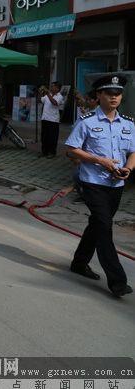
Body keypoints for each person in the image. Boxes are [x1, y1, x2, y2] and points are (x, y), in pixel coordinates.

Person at [64, 74, 134, 298]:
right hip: (92, 183)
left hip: (116, 184)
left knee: (97, 224)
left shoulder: (128, 124)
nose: (114, 98)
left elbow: (133, 152)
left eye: (118, 94)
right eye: (109, 93)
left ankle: (79, 262)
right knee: (104, 228)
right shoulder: (86, 122)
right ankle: (117, 281)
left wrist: (128, 169)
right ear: (99, 95)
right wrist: (100, 160)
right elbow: (71, 150)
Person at [40, 82, 64, 157]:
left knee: (52, 137)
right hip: (45, 118)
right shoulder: (48, 95)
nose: (51, 88)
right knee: (44, 137)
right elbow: (41, 100)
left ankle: (52, 153)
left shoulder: (60, 96)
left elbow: (55, 103)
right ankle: (44, 152)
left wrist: (47, 94)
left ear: (57, 88)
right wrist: (40, 93)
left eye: (53, 86)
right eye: (51, 86)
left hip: (53, 120)